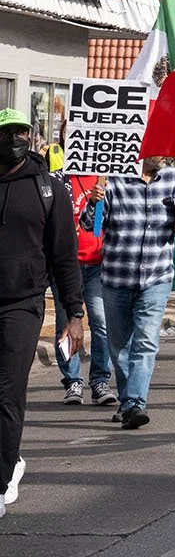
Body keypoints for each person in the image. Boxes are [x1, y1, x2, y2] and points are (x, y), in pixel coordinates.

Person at [0, 108, 83, 519]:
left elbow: (65, 257)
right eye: (6, 132)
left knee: (7, 391)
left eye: (20, 132)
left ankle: (2, 479)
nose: (14, 139)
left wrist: (75, 314)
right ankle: (10, 459)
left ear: (30, 137)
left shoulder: (48, 188)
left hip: (23, 303)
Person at [85, 156, 175, 430]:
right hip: (117, 277)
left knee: (146, 342)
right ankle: (129, 401)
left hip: (157, 276)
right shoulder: (113, 178)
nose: (163, 154)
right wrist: (95, 201)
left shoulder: (173, 177)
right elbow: (90, 226)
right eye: (158, 146)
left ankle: (134, 403)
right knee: (119, 347)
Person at [55, 173, 115, 406]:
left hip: (98, 265)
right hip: (67, 267)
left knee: (101, 322)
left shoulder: (106, 180)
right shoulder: (60, 181)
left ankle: (100, 380)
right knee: (66, 323)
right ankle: (72, 380)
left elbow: (99, 223)